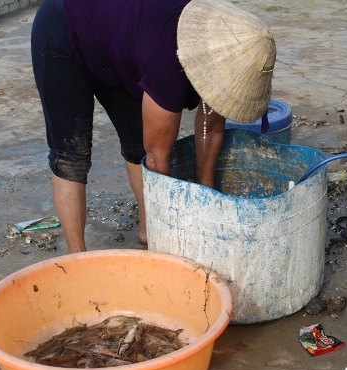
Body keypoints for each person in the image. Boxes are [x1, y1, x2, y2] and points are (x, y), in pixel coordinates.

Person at [31, 0, 276, 252]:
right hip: (62, 30)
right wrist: (174, 225)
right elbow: (158, 159)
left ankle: (150, 230)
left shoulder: (218, 55)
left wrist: (207, 196)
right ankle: (76, 258)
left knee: (137, 143)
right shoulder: (168, 65)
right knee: (72, 154)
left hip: (117, 40)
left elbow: (211, 129)